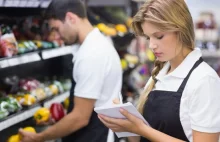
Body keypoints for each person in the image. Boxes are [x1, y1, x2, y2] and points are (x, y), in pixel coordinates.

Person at [98, 0, 220, 142]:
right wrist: (126, 125)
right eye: (148, 37)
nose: (151, 45)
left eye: (159, 36)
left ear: (181, 30)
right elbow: (141, 138)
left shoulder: (204, 80)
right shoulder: (159, 75)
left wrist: (142, 129)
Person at [19, 0, 122, 142]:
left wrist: (39, 137)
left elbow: (80, 118)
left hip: (96, 136)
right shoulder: (98, 44)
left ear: (71, 18)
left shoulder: (92, 54)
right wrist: (59, 120)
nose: (57, 36)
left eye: (56, 28)